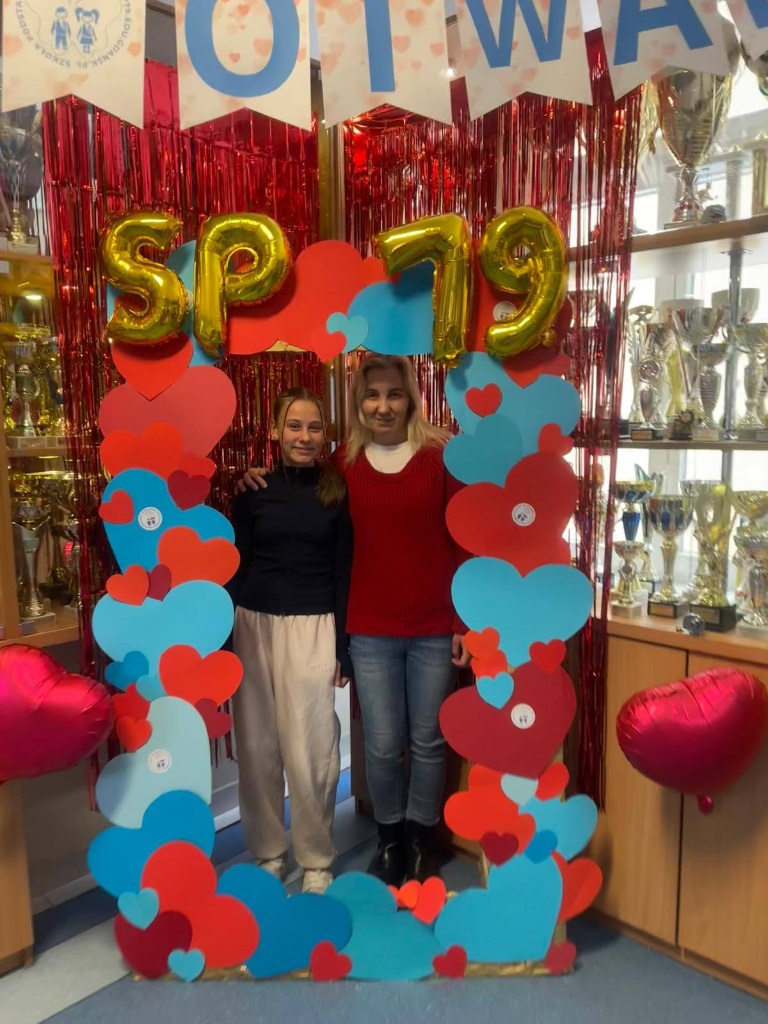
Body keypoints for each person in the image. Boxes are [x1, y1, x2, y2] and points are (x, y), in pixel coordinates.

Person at [239, 355, 470, 886]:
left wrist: (463, 620)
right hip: (369, 628)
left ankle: (419, 840)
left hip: (434, 625)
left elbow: (461, 540)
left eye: (393, 394)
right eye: (372, 395)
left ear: (410, 399)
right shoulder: (344, 464)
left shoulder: (441, 456)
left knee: (428, 741)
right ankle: (389, 840)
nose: (383, 406)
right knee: (382, 745)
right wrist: (254, 472)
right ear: (358, 403)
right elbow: (294, 494)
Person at [228, 386, 353, 895]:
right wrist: (224, 638)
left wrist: (343, 645)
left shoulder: (337, 491)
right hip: (252, 625)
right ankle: (268, 853)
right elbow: (236, 562)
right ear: (276, 431)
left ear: (326, 435)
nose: (304, 436)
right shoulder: (252, 490)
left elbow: (344, 571)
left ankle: (316, 858)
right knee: (257, 746)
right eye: (294, 426)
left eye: (314, 427)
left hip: (314, 624)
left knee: (312, 748)